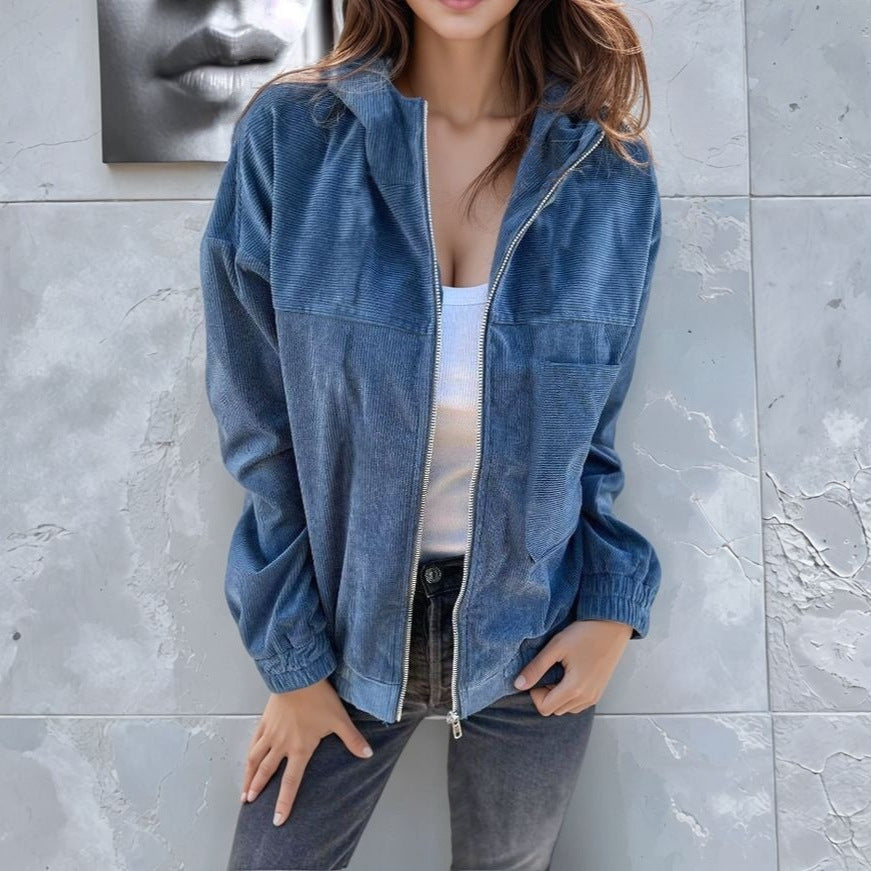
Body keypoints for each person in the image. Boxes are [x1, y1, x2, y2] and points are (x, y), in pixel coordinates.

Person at [199, 0, 663, 868]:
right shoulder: (293, 139)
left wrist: (609, 606)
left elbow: (594, 431)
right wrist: (293, 660)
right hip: (341, 634)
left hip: (530, 641)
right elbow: (259, 428)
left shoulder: (606, 171)